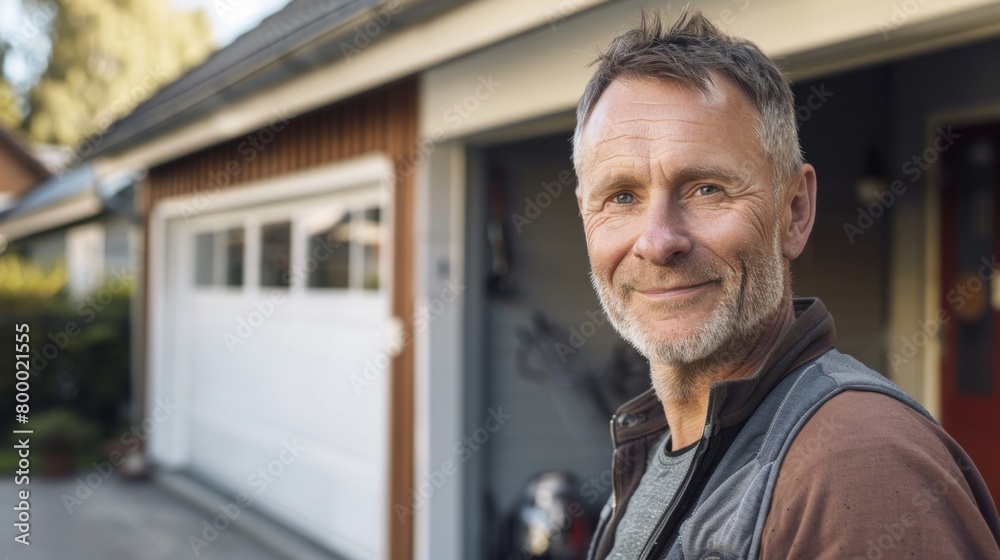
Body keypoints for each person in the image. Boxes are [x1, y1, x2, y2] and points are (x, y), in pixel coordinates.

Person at [572, 8, 1000, 560]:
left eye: (706, 189)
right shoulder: (659, 442)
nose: (658, 241)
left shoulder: (856, 464)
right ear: (586, 217)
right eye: (622, 197)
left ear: (795, 210)